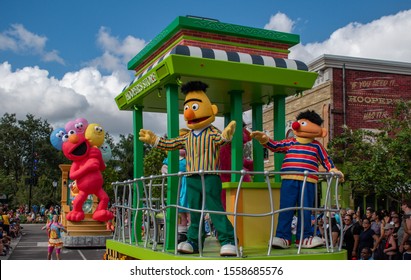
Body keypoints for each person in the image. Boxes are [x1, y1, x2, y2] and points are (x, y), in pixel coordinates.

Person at [139, 81, 237, 256]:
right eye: (187, 108)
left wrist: (226, 135)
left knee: (215, 210)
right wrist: (154, 140)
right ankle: (193, 241)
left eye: (194, 107)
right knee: (193, 212)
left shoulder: (212, 132)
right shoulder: (187, 136)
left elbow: (221, 139)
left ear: (212, 109)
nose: (189, 112)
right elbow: (170, 143)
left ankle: (228, 240)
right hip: (191, 178)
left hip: (210, 176)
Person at [250, 110, 344, 249]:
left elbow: (326, 160)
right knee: (286, 208)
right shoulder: (291, 142)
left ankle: (304, 237)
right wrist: (265, 139)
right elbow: (276, 146)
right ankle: (282, 236)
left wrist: (333, 169)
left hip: (309, 180)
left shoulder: (317, 145)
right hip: (289, 178)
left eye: (303, 123)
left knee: (305, 209)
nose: (296, 125)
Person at [162, 147, 190, 242]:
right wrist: (168, 172)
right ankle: (182, 234)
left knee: (190, 210)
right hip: (177, 184)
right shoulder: (170, 158)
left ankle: (192, 233)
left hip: (189, 184)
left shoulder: (190, 158)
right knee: (181, 211)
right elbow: (164, 168)